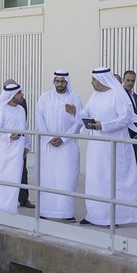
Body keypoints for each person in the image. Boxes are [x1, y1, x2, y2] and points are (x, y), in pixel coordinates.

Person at [81, 67, 137, 226]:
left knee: (112, 180)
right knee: (96, 178)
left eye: (94, 80)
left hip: (114, 147)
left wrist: (103, 125)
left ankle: (115, 217)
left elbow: (125, 118)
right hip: (96, 147)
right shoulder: (95, 95)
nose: (92, 83)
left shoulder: (118, 95)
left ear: (103, 80)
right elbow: (86, 113)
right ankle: (95, 215)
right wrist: (75, 113)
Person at [35, 70, 84, 221]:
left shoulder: (74, 98)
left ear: (67, 82)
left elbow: (80, 122)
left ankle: (66, 213)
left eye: (62, 81)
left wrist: (63, 138)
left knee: (67, 179)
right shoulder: (45, 97)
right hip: (48, 146)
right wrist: (49, 138)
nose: (60, 84)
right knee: (48, 178)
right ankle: (45, 211)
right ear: (53, 81)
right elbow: (39, 118)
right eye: (57, 81)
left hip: (67, 147)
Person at [0, 83, 29, 214]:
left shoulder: (20, 110)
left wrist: (27, 145)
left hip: (18, 152)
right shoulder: (0, 110)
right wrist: (8, 135)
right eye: (19, 93)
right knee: (3, 182)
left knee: (15, 181)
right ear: (11, 95)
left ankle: (11, 210)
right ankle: (0, 210)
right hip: (4, 152)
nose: (22, 95)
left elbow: (25, 129)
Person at [122, 70, 137, 174]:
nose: (130, 83)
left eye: (133, 81)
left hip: (136, 136)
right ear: (123, 80)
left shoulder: (134, 96)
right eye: (128, 80)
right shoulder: (120, 96)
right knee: (127, 164)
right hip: (126, 135)